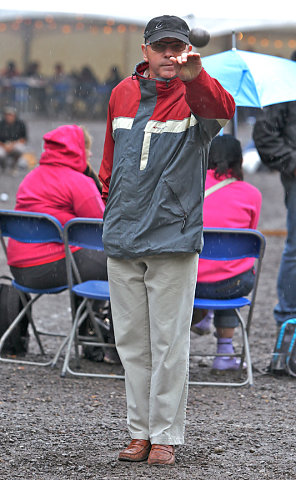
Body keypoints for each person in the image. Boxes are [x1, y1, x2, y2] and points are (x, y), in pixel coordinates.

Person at [99, 15, 235, 466]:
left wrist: (199, 77)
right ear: (146, 51)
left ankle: (165, 436)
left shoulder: (196, 92)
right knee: (131, 344)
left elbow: (222, 112)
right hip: (122, 235)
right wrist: (111, 205)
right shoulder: (121, 93)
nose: (170, 54)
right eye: (162, 47)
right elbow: (109, 162)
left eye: (177, 46)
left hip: (173, 238)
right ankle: (139, 433)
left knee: (170, 344)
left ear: (188, 50)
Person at [6, 124, 117, 364]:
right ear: (77, 150)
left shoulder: (31, 177)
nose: (89, 154)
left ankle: (89, 330)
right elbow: (102, 228)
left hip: (20, 270)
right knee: (122, 266)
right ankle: (102, 337)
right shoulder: (79, 182)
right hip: (54, 267)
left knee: (83, 260)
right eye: (86, 149)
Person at [192, 134, 262, 371]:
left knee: (201, 268)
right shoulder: (252, 194)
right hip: (234, 284)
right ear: (239, 161)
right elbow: (248, 238)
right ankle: (224, 352)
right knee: (232, 270)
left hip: (191, 283)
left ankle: (201, 315)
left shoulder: (192, 187)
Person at [253, 51, 296, 328]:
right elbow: (264, 134)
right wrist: (293, 164)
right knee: (295, 250)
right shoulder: (286, 88)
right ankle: (288, 318)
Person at [0, 106, 27, 173]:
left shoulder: (20, 124)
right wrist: (4, 146)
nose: (9, 117)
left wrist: (12, 145)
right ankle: (3, 166)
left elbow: (24, 139)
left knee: (20, 148)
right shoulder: (1, 124)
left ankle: (14, 164)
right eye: (7, 115)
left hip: (15, 144)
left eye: (10, 115)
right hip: (2, 145)